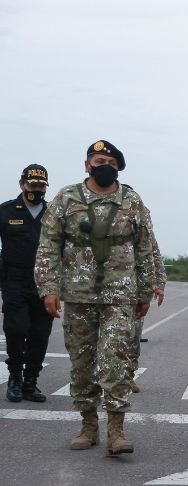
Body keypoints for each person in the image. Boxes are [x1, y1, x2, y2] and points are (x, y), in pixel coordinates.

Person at [35, 140, 154, 455]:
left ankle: (117, 431)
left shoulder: (131, 200)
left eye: (112, 163)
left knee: (115, 360)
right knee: (82, 363)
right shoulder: (66, 198)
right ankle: (88, 426)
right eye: (100, 160)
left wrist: (145, 290)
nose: (106, 166)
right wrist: (49, 288)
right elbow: (49, 244)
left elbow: (144, 247)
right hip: (78, 294)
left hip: (120, 293)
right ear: (87, 164)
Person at [1, 164, 54, 403]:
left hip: (45, 284)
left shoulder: (54, 215)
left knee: (40, 335)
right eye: (32, 185)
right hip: (14, 281)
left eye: (41, 186)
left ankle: (31, 381)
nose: (37, 189)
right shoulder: (6, 211)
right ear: (22, 184)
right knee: (16, 329)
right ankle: (14, 378)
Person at [124, 200, 166, 393]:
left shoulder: (141, 227)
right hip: (107, 291)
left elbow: (154, 255)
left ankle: (129, 375)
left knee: (133, 336)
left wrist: (159, 284)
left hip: (136, 291)